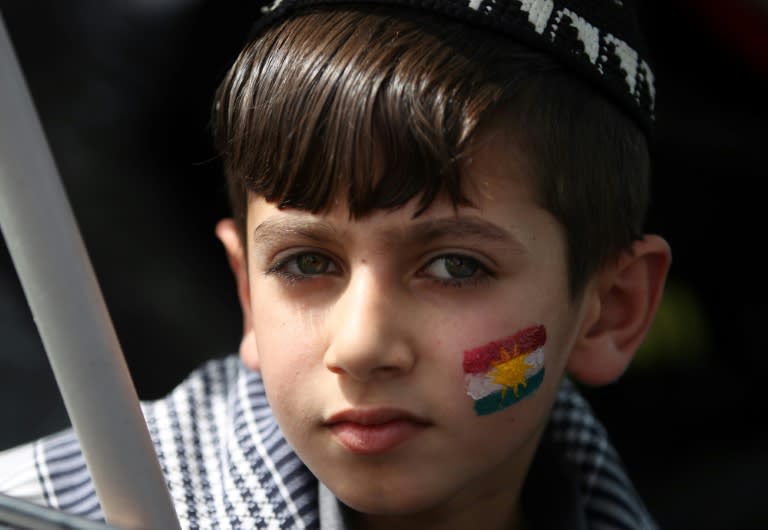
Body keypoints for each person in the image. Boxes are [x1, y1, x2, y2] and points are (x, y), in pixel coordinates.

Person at [0, 0, 671, 528]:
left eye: (457, 267)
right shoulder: (40, 511)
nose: (361, 345)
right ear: (246, 292)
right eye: (305, 263)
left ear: (611, 311)